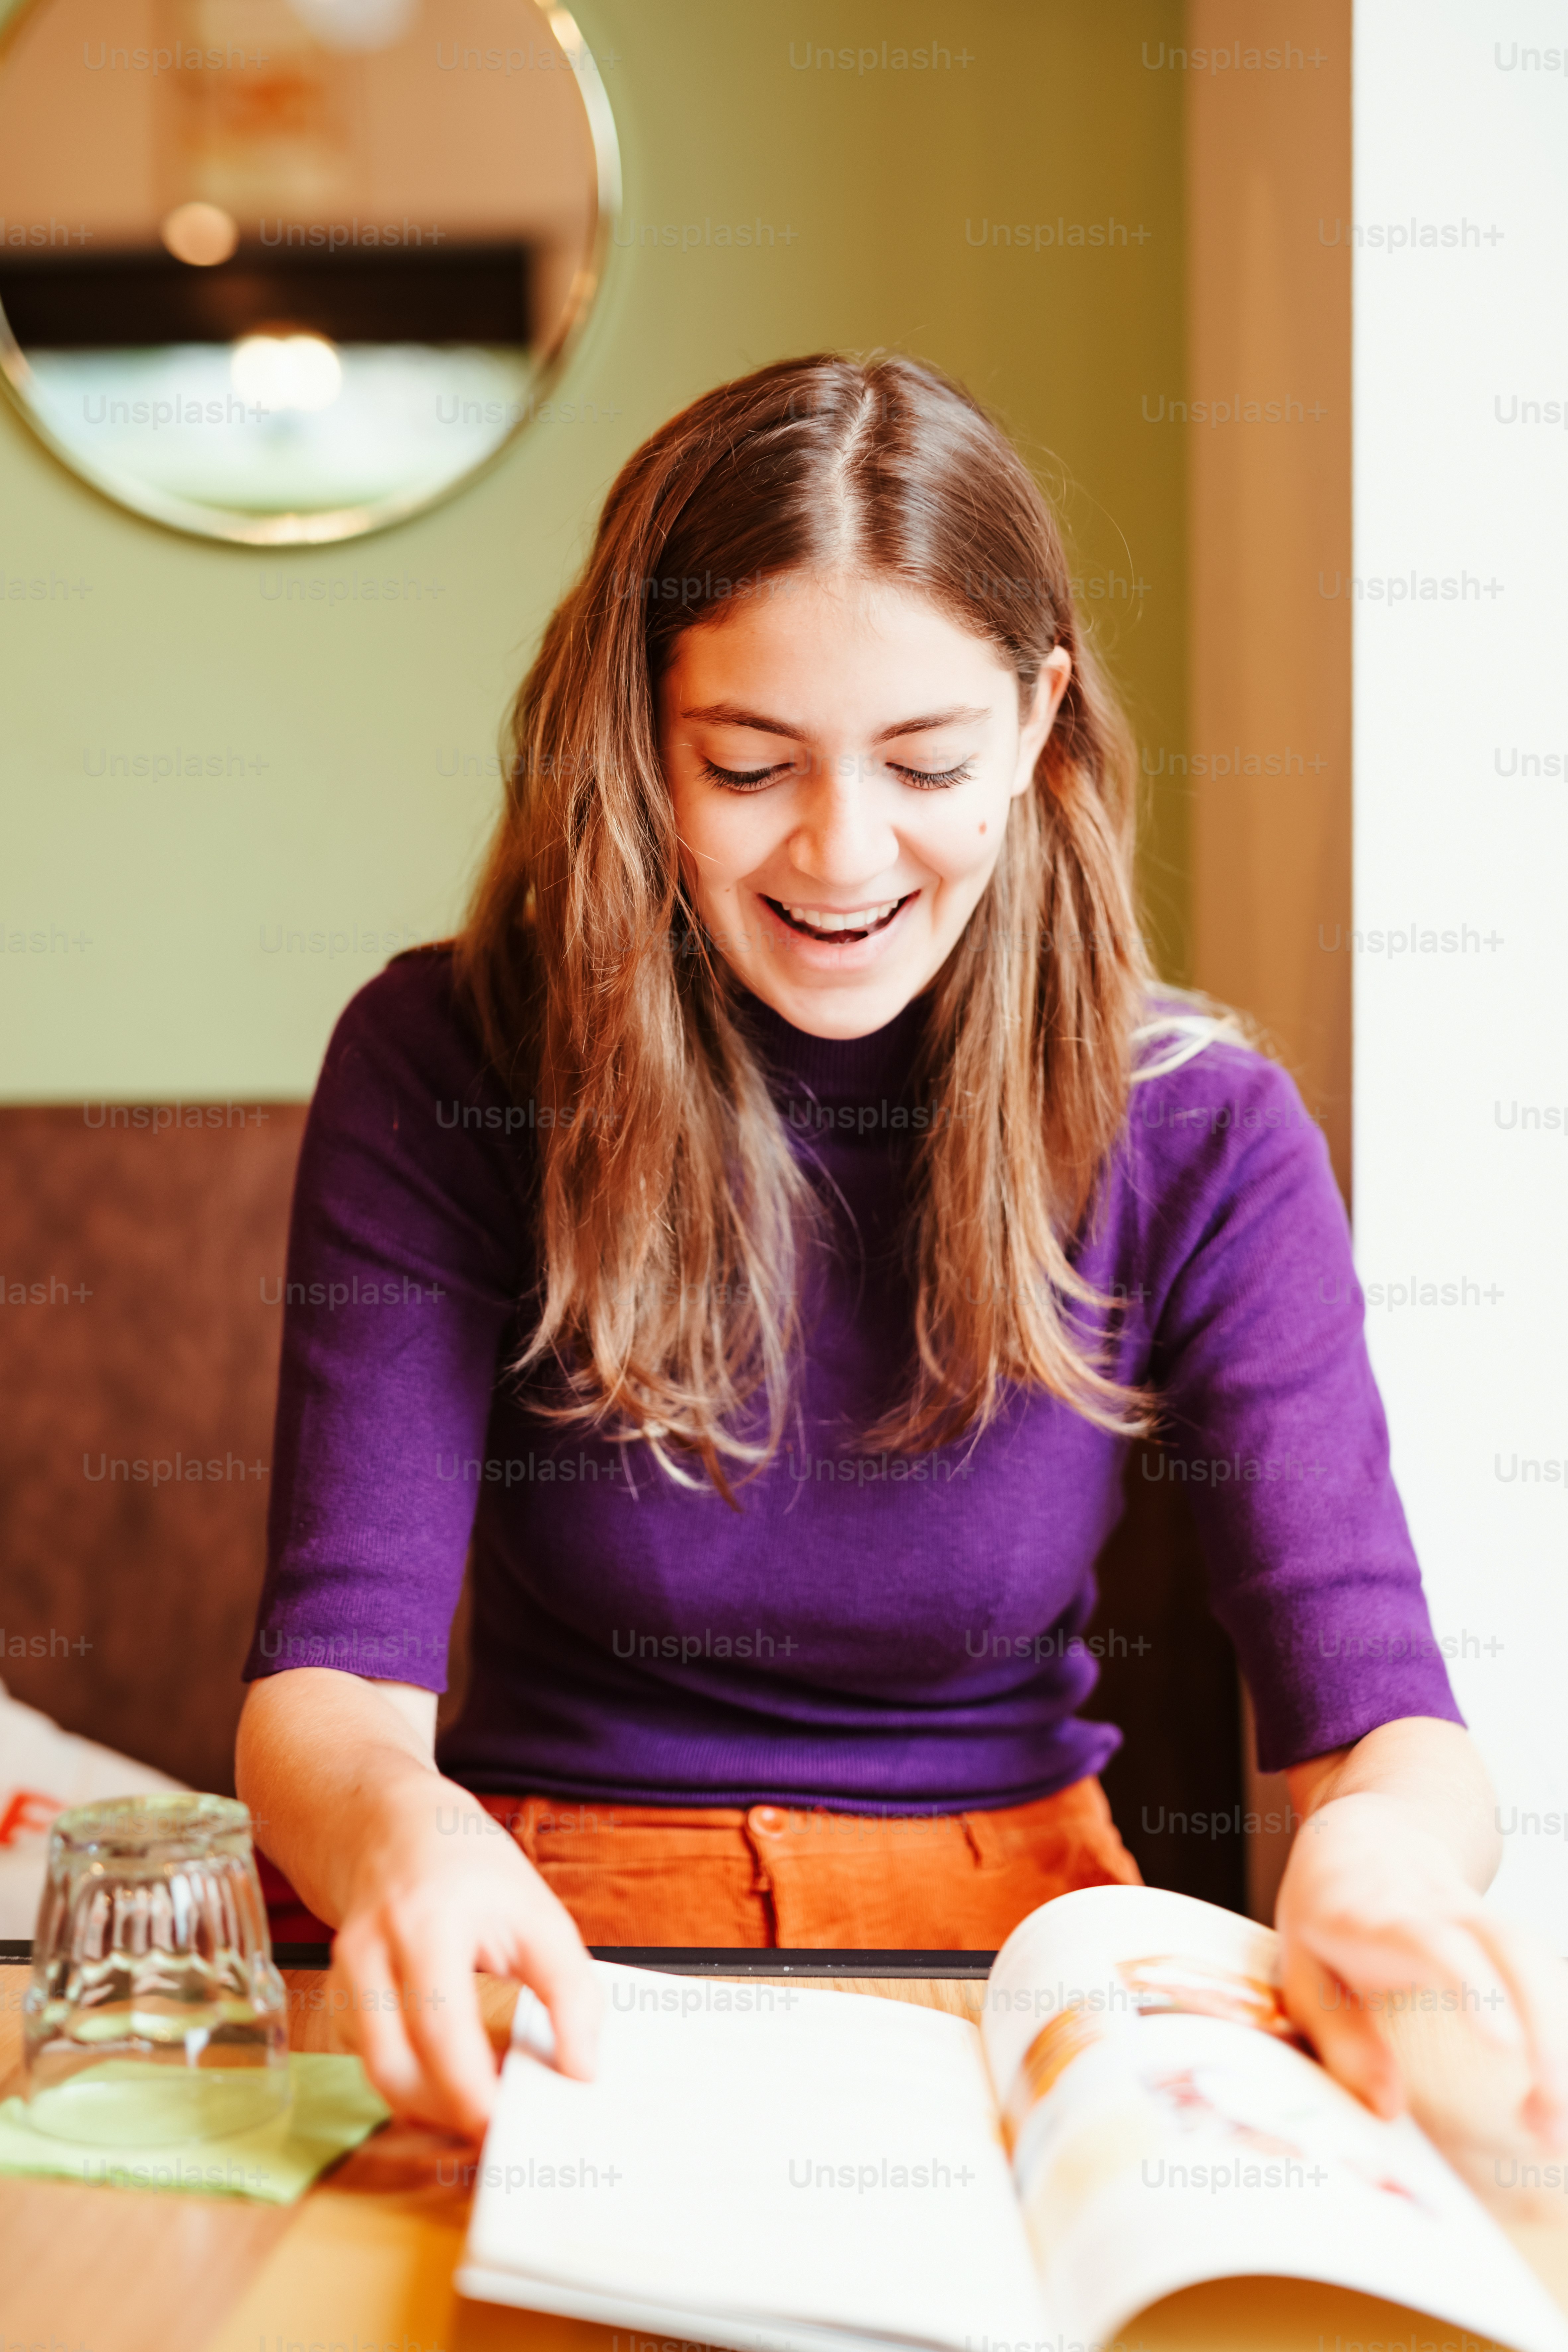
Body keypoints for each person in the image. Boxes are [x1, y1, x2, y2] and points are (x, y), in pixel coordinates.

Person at [236, 353, 1567, 2147]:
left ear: (1034, 721)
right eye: (746, 763)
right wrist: (403, 1841)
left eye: (925, 761)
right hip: (545, 1924)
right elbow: (332, 1691)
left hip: (1025, 1950)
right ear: (641, 730)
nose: (841, 853)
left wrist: (1374, 1863)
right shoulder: (445, 1060)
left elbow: (1377, 1724)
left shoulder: (1201, 1123)